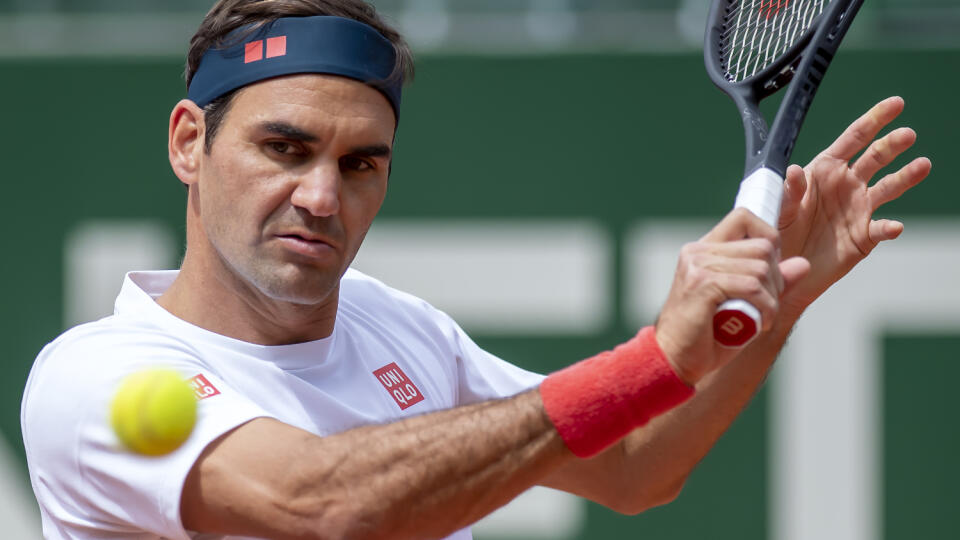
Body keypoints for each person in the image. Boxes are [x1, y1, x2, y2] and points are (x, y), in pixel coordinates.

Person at [21, 0, 931, 539]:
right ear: (190, 142)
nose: (321, 196)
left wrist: (773, 309)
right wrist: (656, 358)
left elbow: (632, 469)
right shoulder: (94, 379)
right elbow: (324, 506)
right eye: (284, 148)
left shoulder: (400, 329)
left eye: (359, 162)